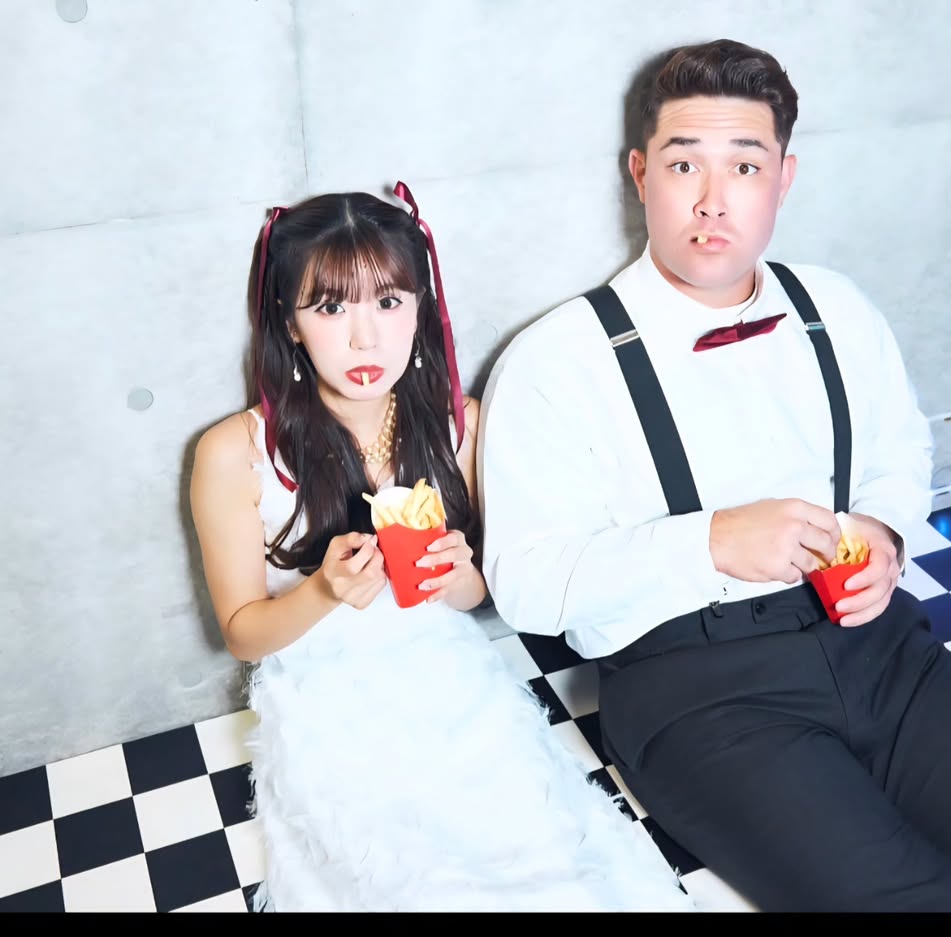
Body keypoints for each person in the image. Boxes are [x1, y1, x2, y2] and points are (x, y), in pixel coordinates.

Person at [478, 39, 951, 912]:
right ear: (640, 173)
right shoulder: (555, 361)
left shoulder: (838, 307)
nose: (713, 199)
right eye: (684, 163)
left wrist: (884, 530)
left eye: (746, 165)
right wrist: (712, 542)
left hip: (881, 649)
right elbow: (526, 586)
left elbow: (900, 448)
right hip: (698, 693)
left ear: (784, 179)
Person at [188, 188, 695, 912]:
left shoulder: (463, 426)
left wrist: (464, 580)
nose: (365, 339)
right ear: (289, 322)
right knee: (398, 877)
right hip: (324, 696)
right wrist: (322, 592)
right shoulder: (234, 451)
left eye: (389, 302)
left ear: (421, 307)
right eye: (329, 308)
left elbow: (489, 589)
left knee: (547, 860)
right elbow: (242, 633)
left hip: (452, 677)